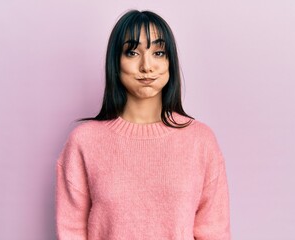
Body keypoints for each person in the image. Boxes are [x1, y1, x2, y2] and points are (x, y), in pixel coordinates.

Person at [56, 9, 231, 239]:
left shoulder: (200, 140)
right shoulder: (84, 142)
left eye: (158, 52)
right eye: (132, 52)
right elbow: (71, 231)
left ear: (170, 62)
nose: (146, 66)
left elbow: (214, 232)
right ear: (115, 62)